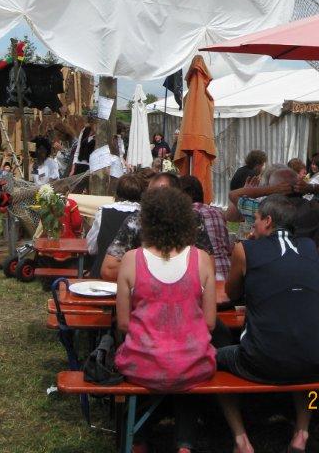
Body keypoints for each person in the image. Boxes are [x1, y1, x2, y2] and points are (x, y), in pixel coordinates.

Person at [217, 195, 319, 453]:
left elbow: (232, 293)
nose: (253, 225)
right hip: (314, 361)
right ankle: (302, 433)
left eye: (255, 219)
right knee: (299, 347)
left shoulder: (245, 249)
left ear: (267, 221)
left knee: (213, 359)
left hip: (261, 361)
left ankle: (241, 439)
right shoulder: (310, 248)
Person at [115, 187, 216, 453]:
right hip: (193, 364)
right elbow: (210, 322)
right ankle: (185, 443)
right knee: (184, 378)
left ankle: (137, 439)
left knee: (158, 373)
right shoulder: (202, 259)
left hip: (143, 364)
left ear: (146, 220)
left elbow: (123, 323)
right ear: (186, 220)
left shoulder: (131, 260)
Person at [100, 173, 215, 281]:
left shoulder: (193, 220)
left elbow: (209, 268)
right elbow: (108, 270)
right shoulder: (136, 221)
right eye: (151, 196)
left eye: (162, 196)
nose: (155, 202)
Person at [86, 173, 143, 276]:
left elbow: (92, 248)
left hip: (101, 274)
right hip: (132, 275)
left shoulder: (104, 212)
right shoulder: (144, 215)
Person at [180, 175, 232, 281]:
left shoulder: (186, 215)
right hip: (226, 273)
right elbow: (227, 247)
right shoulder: (218, 213)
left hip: (205, 278)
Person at [70, 111, 97, 176]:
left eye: (93, 121)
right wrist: (73, 168)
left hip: (91, 167)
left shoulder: (100, 135)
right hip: (79, 164)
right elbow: (77, 150)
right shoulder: (84, 130)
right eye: (90, 121)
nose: (92, 123)